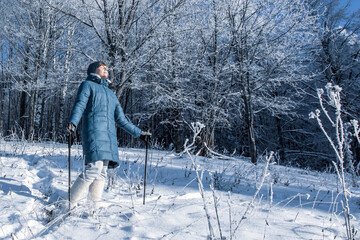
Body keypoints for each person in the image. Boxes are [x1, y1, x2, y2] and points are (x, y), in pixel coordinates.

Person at [67, 61, 150, 208]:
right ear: (93, 69)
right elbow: (79, 105)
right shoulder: (87, 85)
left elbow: (122, 120)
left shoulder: (111, 94)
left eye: (107, 68)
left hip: (109, 137)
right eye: (102, 67)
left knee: (101, 173)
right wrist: (72, 125)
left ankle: (93, 210)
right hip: (94, 132)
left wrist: (140, 134)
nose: (106, 69)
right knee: (93, 169)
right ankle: (68, 204)